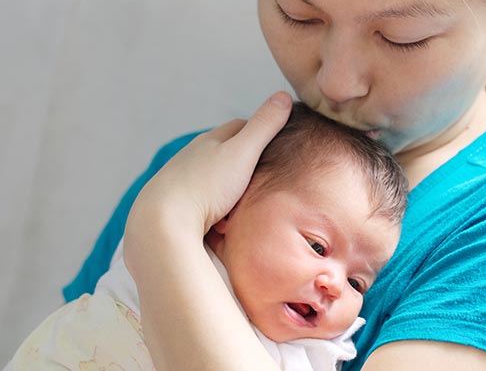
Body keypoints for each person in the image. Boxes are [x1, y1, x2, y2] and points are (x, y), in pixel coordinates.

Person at [63, 0, 486, 370]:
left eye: (402, 37)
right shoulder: (197, 170)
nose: (336, 81)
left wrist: (165, 230)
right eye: (297, 15)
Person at [5, 103, 407, 371]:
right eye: (317, 246)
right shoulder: (166, 249)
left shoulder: (314, 353)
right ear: (227, 210)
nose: (334, 285)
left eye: (358, 282)